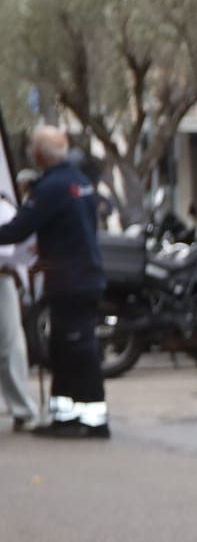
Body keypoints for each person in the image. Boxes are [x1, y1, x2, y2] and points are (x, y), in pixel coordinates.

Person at [0, 125, 108, 439]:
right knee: (65, 348)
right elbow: (74, 227)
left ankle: (92, 419)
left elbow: (17, 230)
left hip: (70, 281)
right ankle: (66, 417)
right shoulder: (78, 181)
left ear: (38, 155)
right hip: (82, 276)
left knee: (78, 349)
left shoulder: (50, 188)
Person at [0, 166, 39, 432]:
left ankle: (21, 408)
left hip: (3, 277)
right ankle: (21, 408)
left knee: (10, 346)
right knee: (10, 345)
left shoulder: (5, 207)